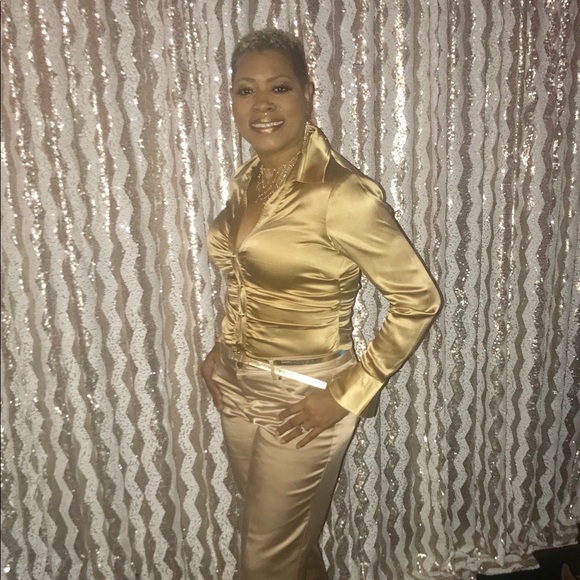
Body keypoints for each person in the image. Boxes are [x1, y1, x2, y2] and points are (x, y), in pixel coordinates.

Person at [201, 28, 442, 580]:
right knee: (286, 546)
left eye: (279, 87)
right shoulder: (248, 183)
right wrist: (221, 349)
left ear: (308, 94)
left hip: (306, 396)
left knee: (263, 563)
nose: (262, 104)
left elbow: (418, 299)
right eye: (245, 90)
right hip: (237, 386)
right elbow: (245, 281)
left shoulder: (340, 192)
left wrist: (348, 393)